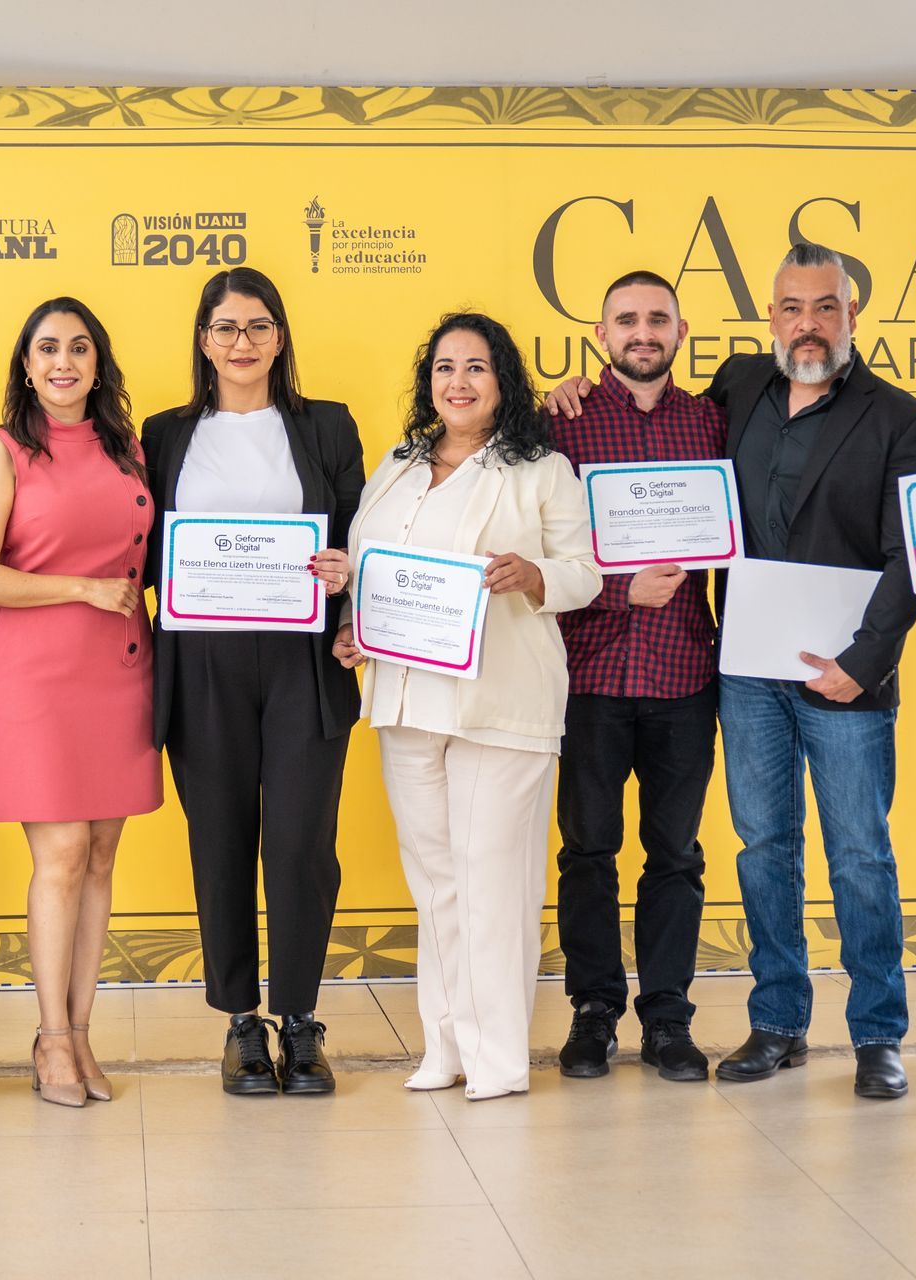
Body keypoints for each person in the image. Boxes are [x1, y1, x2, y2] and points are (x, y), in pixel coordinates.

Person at [548, 241, 916, 1099]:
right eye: (792, 308)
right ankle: (779, 1023)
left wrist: (862, 664)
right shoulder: (740, 388)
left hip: (841, 675)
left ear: (851, 316)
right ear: (770, 319)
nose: (808, 324)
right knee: (764, 849)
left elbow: (913, 556)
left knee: (861, 854)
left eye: (825, 307)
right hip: (743, 671)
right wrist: (563, 390)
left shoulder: (899, 417)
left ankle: (877, 1034)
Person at [333, 311, 601, 1101]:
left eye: (476, 368)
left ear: (502, 381)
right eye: (445, 368)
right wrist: (356, 624)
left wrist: (534, 575)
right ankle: (443, 1046)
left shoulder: (540, 469)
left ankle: (499, 1062)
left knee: (495, 882)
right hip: (407, 699)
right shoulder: (397, 464)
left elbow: (583, 572)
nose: (458, 382)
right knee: (437, 881)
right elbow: (377, 570)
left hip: (500, 703)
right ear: (429, 383)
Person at [141, 268, 365, 1096]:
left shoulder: (327, 426)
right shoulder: (163, 435)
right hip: (202, 662)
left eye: (259, 327)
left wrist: (350, 582)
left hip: (305, 657)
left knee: (302, 843)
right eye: (227, 328)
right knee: (221, 841)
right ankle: (241, 1023)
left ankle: (300, 1021)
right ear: (203, 339)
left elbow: (361, 535)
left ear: (280, 338)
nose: (243, 343)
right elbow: (137, 549)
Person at [0, 297, 162, 1108]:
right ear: (27, 365)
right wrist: (83, 588)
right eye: (48, 349)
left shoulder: (128, 448)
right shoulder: (3, 451)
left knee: (103, 856)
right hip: (35, 680)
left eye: (80, 347)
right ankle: (47, 1040)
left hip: (118, 671)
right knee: (63, 855)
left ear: (98, 362)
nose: (64, 362)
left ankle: (81, 1033)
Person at [546, 271, 725, 1085]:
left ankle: (668, 1018)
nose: (642, 332)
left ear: (682, 332)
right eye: (626, 320)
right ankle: (592, 1013)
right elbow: (544, 550)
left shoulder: (714, 422)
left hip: (687, 671)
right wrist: (621, 588)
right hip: (587, 673)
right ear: (600, 334)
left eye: (658, 319)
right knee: (587, 851)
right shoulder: (563, 425)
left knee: (676, 855)